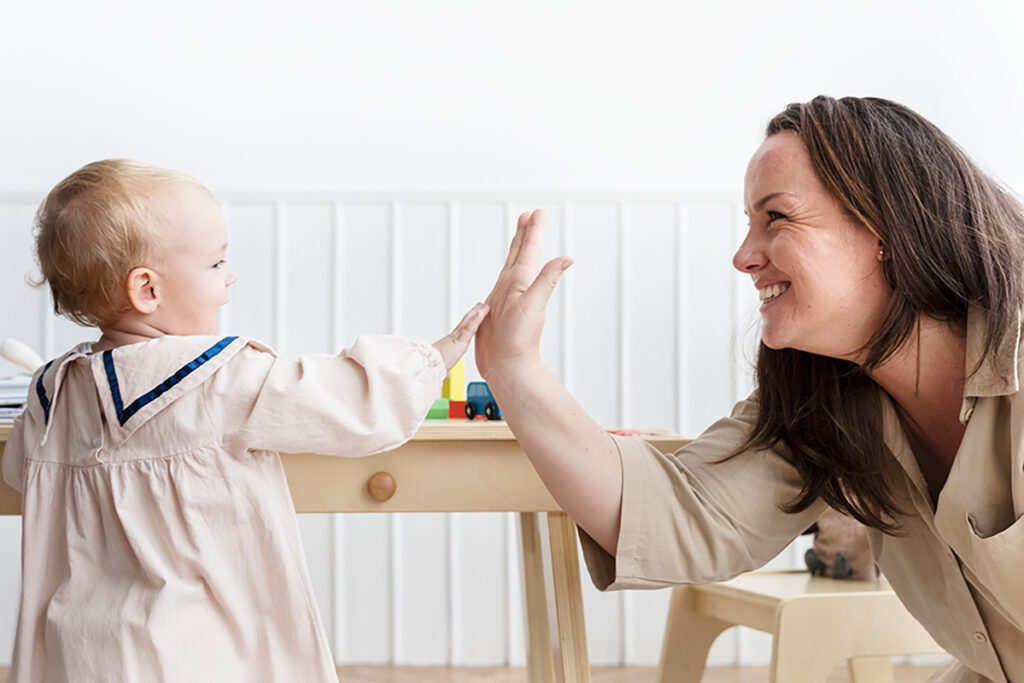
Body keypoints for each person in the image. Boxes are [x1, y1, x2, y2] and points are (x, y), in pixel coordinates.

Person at [475, 96, 1024, 682]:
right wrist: (513, 367)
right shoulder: (828, 405)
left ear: (884, 227)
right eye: (748, 224)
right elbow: (673, 516)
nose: (743, 257)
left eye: (777, 218)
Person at [2, 159, 488, 683]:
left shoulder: (51, 394)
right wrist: (433, 358)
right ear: (147, 290)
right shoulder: (220, 379)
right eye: (215, 264)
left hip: (81, 652)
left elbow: (17, 474)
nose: (230, 274)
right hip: (189, 652)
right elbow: (348, 401)